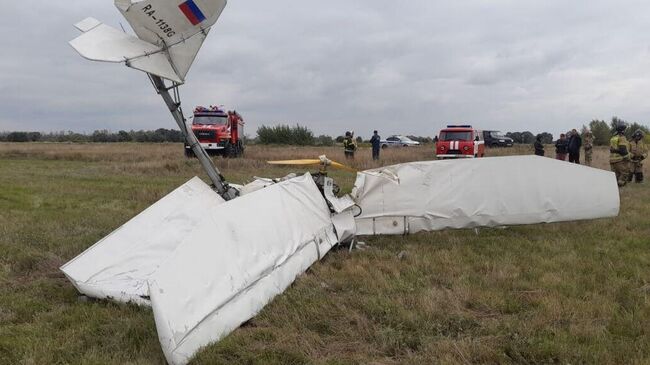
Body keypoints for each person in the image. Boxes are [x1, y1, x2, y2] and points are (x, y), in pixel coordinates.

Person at [609, 123, 632, 187]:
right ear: (623, 130)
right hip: (619, 160)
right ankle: (621, 187)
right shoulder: (622, 137)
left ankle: (614, 188)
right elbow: (623, 150)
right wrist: (628, 158)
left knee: (615, 175)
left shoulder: (613, 138)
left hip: (612, 160)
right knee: (625, 172)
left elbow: (611, 149)